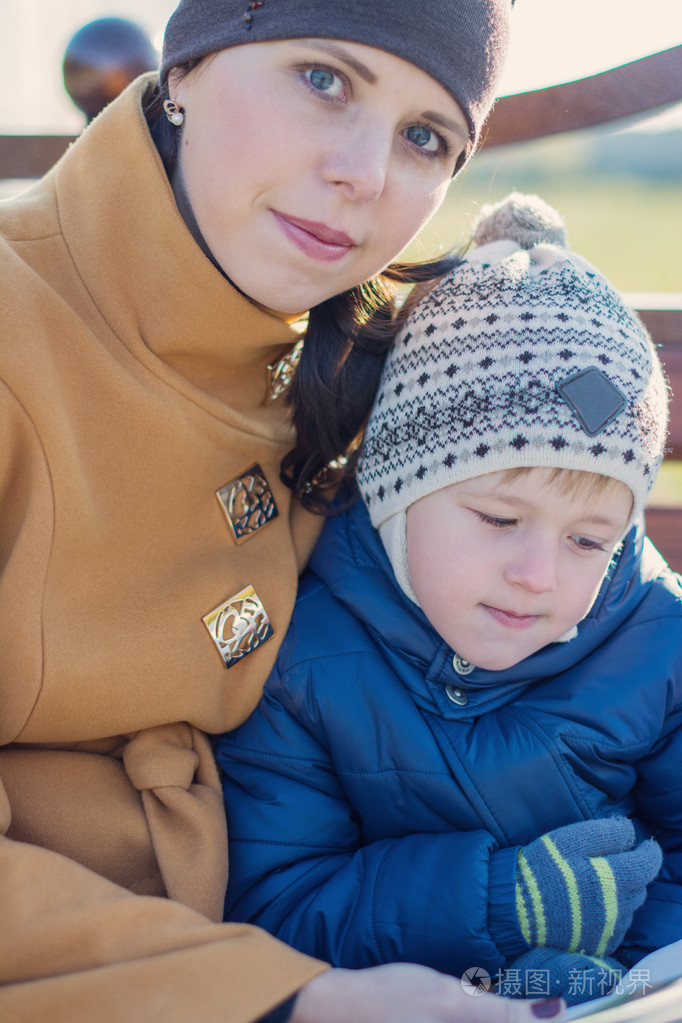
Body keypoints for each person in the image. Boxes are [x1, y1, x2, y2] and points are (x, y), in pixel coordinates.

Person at [0, 1, 562, 1020]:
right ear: (186, 68)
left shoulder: (364, 371)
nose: (365, 175)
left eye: (424, 136)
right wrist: (290, 999)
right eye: (324, 80)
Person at [217, 193, 682, 1007]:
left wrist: (613, 988)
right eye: (500, 519)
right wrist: (499, 905)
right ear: (395, 495)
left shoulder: (658, 640)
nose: (537, 573)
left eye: (588, 540)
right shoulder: (302, 659)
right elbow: (278, 905)